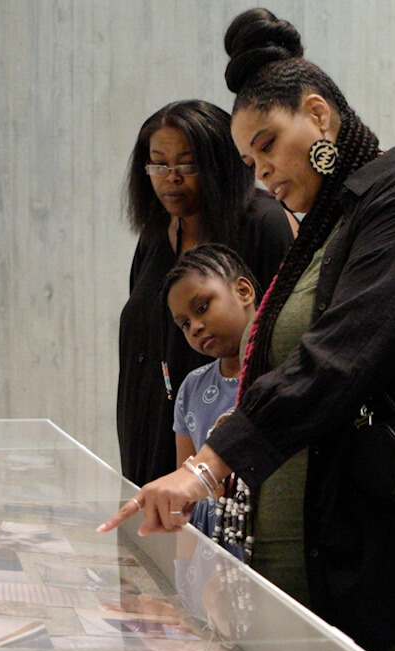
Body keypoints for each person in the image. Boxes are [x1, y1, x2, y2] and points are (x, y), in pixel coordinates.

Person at [101, 10, 395, 651]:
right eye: (249, 161)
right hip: (337, 562)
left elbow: (341, 358)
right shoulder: (328, 228)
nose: (262, 174)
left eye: (268, 146)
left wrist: (206, 467)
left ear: (318, 116)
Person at [116, 100, 294, 488]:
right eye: (159, 164)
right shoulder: (155, 235)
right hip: (147, 426)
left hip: (222, 436)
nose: (171, 178)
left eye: (187, 164)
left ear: (220, 163)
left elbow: (283, 342)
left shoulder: (262, 223)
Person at [161, 244, 259, 558]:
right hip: (207, 543)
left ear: (243, 291)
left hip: (262, 540)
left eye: (202, 307)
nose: (196, 327)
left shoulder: (280, 375)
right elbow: (183, 490)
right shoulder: (191, 388)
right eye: (184, 324)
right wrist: (183, 567)